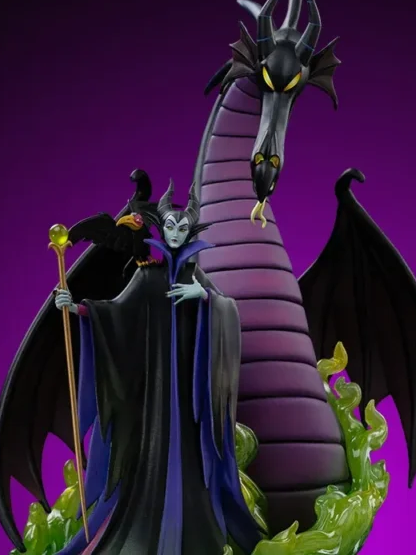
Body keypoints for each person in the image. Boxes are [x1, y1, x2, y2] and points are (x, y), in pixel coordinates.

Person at [53, 180, 262, 555]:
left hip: (191, 399)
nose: (176, 234)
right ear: (160, 230)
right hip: (155, 399)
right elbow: (115, 314)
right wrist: (77, 307)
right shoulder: (147, 277)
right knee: (151, 461)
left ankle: (199, 531)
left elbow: (230, 314)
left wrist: (206, 298)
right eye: (169, 227)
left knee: (194, 465)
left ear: (191, 232)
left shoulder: (198, 280)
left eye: (182, 228)